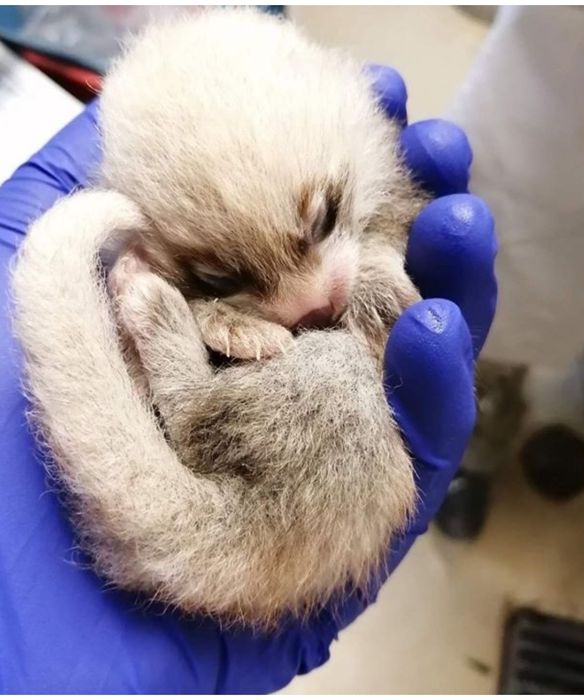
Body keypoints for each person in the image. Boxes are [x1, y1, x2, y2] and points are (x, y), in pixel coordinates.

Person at [0, 67, 498, 692]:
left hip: (263, 505)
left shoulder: (343, 140)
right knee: (336, 372)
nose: (310, 303)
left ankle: (195, 390)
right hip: (228, 510)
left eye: (319, 222)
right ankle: (194, 394)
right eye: (222, 275)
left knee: (341, 373)